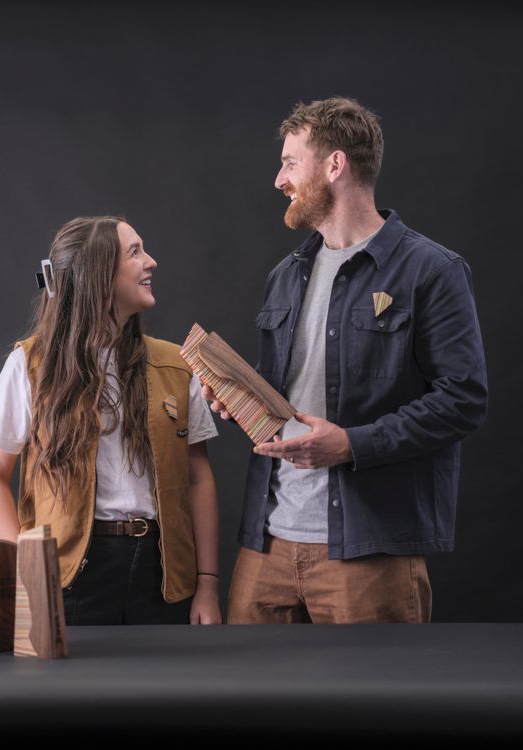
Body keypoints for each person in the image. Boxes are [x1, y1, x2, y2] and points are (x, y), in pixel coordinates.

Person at [205, 97, 488, 624]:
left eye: (291, 163)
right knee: (242, 702)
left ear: (335, 165)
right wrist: (237, 397)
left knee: (372, 703)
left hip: (369, 552)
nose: (278, 180)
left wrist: (352, 444)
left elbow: (463, 400)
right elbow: (286, 398)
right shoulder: (285, 275)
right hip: (266, 545)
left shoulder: (431, 270)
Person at [0, 216, 222, 625]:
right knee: (74, 691)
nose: (152, 262)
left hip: (163, 576)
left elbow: (199, 478)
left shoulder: (177, 365)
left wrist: (208, 585)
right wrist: (29, 573)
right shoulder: (31, 366)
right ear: (97, 273)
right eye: (135, 252)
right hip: (69, 576)